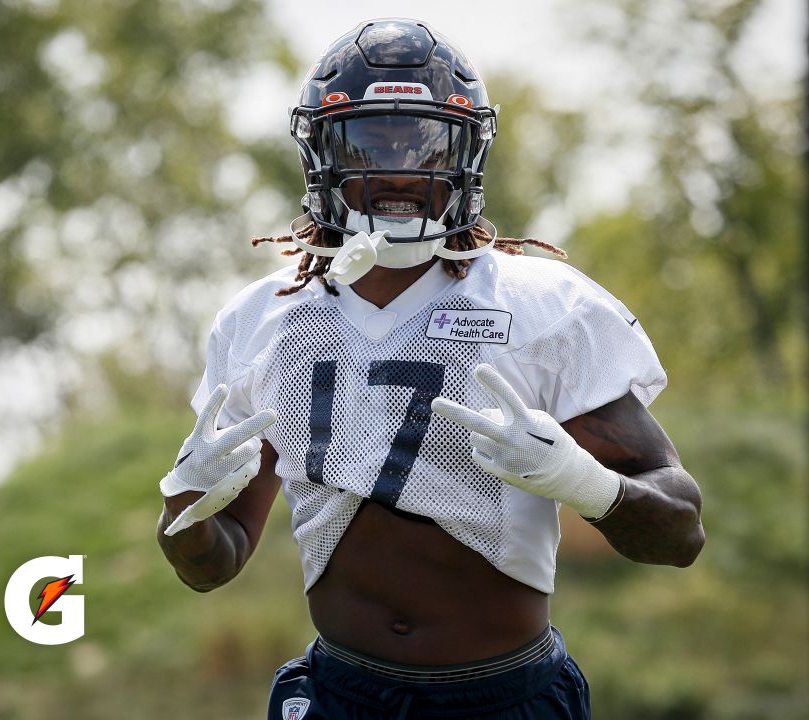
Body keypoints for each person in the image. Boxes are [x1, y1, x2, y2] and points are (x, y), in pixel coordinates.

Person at [155, 18, 704, 720]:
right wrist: (184, 502)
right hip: (338, 695)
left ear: (465, 155)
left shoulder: (542, 307)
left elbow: (682, 531)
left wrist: (584, 482)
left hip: (506, 698)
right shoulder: (262, 321)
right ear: (318, 154)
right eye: (366, 142)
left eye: (422, 142)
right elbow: (213, 562)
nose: (395, 170)